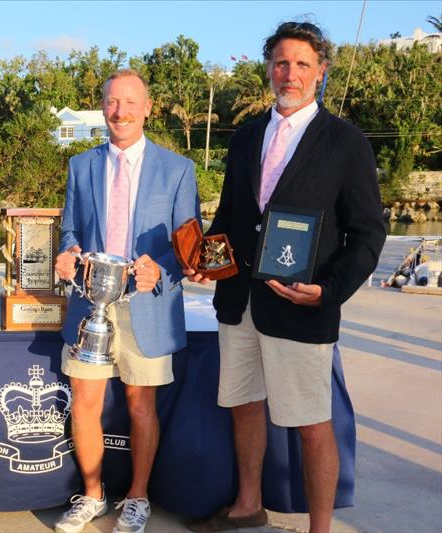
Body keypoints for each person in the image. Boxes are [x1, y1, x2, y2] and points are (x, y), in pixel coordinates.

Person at [186, 22, 386, 533]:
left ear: (321, 72)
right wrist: (205, 260)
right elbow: (230, 217)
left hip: (302, 308)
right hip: (238, 305)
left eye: (301, 64)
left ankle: (320, 528)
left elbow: (367, 234)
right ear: (268, 69)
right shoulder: (248, 135)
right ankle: (247, 507)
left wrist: (329, 291)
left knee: (313, 425)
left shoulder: (346, 142)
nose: (289, 73)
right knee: (244, 408)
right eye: (280, 63)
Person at [54, 69, 200, 533]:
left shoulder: (178, 169)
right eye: (113, 102)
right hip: (89, 305)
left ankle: (137, 498)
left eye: (131, 102)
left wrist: (163, 269)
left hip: (148, 305)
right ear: (103, 107)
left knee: (141, 406)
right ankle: (93, 495)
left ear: (148, 107)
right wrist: (69, 251)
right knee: (84, 402)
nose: (121, 111)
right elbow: (71, 229)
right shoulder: (81, 165)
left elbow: (188, 245)